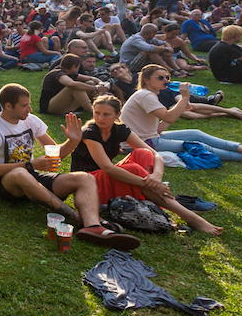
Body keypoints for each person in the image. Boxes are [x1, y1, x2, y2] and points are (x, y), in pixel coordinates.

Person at [0, 82, 140, 249]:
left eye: (29, 104)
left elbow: (57, 154)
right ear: (8, 106)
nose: (30, 109)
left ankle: (93, 226)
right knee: (20, 173)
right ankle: (76, 218)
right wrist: (32, 164)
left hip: (31, 178)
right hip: (3, 183)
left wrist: (73, 141)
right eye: (24, 105)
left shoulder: (31, 121)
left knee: (84, 178)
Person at [68, 95, 222, 235]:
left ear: (118, 115)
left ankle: (151, 201)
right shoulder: (89, 132)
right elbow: (108, 168)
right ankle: (190, 217)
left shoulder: (119, 128)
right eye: (97, 113)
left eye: (106, 114)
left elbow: (154, 154)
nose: (100, 118)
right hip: (89, 185)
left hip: (107, 178)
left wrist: (156, 176)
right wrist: (148, 182)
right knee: (133, 169)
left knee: (143, 154)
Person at [120, 65, 242, 163]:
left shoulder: (149, 96)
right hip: (142, 145)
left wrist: (181, 107)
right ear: (147, 80)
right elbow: (169, 117)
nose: (166, 81)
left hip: (149, 138)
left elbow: (157, 128)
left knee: (196, 133)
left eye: (167, 77)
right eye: (160, 78)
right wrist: (184, 99)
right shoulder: (146, 95)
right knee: (196, 145)